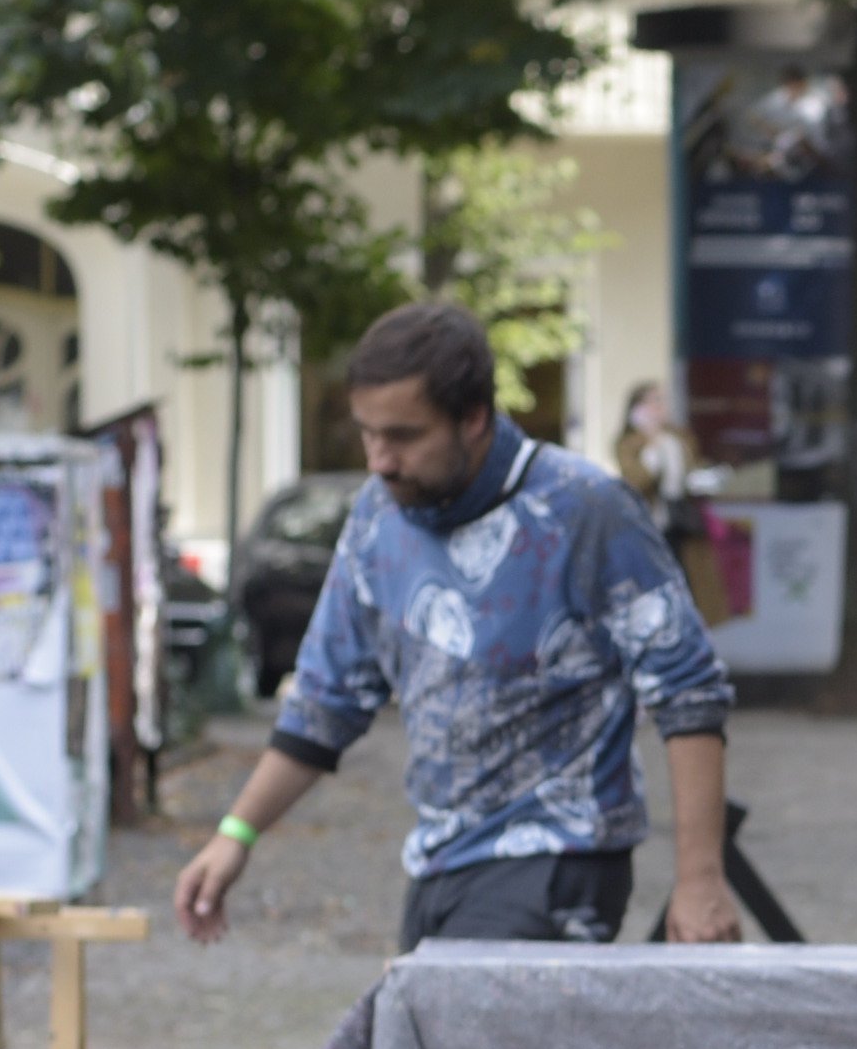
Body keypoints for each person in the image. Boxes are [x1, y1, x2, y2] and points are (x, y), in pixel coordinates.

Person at [179, 301, 744, 951]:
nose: (379, 460)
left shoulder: (585, 509)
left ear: (473, 418)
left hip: (557, 860)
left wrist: (700, 880)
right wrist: (236, 835)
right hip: (439, 866)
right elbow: (326, 699)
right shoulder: (377, 514)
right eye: (367, 433)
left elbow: (688, 691)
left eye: (403, 435)